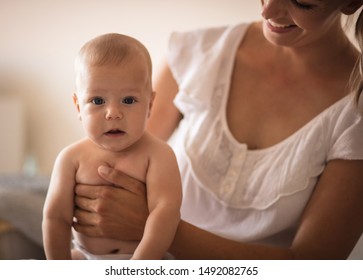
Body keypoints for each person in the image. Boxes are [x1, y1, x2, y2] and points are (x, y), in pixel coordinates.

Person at [72, 0, 363, 259]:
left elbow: (313, 265)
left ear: (350, 4)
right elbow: (105, 174)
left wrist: (160, 228)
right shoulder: (198, 52)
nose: (267, 10)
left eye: (302, 3)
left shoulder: (354, 112)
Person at [42, 33, 182, 260]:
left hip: (143, 257)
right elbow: (55, 217)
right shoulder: (71, 158)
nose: (113, 113)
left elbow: (165, 213)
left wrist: (139, 266)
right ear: (78, 106)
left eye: (128, 100)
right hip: (86, 256)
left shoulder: (158, 155)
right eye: (97, 101)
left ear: (150, 104)